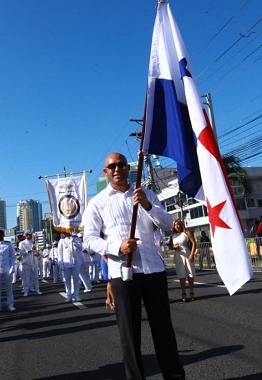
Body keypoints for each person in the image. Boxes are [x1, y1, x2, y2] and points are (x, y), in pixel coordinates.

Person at [83, 152, 185, 380]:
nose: (117, 169)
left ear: (128, 168)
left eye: (121, 165)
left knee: (164, 330)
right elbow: (89, 239)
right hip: (124, 274)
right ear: (106, 172)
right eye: (112, 166)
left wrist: (149, 206)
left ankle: (175, 376)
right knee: (130, 335)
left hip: (154, 270)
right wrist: (118, 247)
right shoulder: (98, 202)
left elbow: (168, 224)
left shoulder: (146, 194)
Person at [169, 219, 197, 302]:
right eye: (175, 225)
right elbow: (170, 246)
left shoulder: (186, 233)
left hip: (187, 254)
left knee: (190, 274)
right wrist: (174, 247)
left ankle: (191, 292)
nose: (176, 226)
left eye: (178, 224)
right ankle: (183, 293)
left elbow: (194, 243)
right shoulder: (172, 236)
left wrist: (192, 254)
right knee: (181, 275)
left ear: (181, 225)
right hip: (178, 256)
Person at [58, 231, 83, 302]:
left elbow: (81, 248)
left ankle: (76, 295)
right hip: (66, 264)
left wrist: (74, 243)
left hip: (76, 263)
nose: (67, 233)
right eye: (66, 232)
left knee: (76, 280)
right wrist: (61, 263)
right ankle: (68, 296)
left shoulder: (76, 239)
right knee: (67, 281)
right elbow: (60, 253)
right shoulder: (62, 241)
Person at [19, 230, 42, 296]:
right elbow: (21, 253)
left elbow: (37, 252)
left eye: (31, 235)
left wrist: (36, 250)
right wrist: (29, 251)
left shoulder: (33, 242)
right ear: (26, 236)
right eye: (29, 235)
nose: (31, 236)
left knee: (36, 277)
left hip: (34, 262)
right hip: (26, 262)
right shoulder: (22, 243)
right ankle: (26, 291)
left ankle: (37, 290)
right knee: (26, 278)